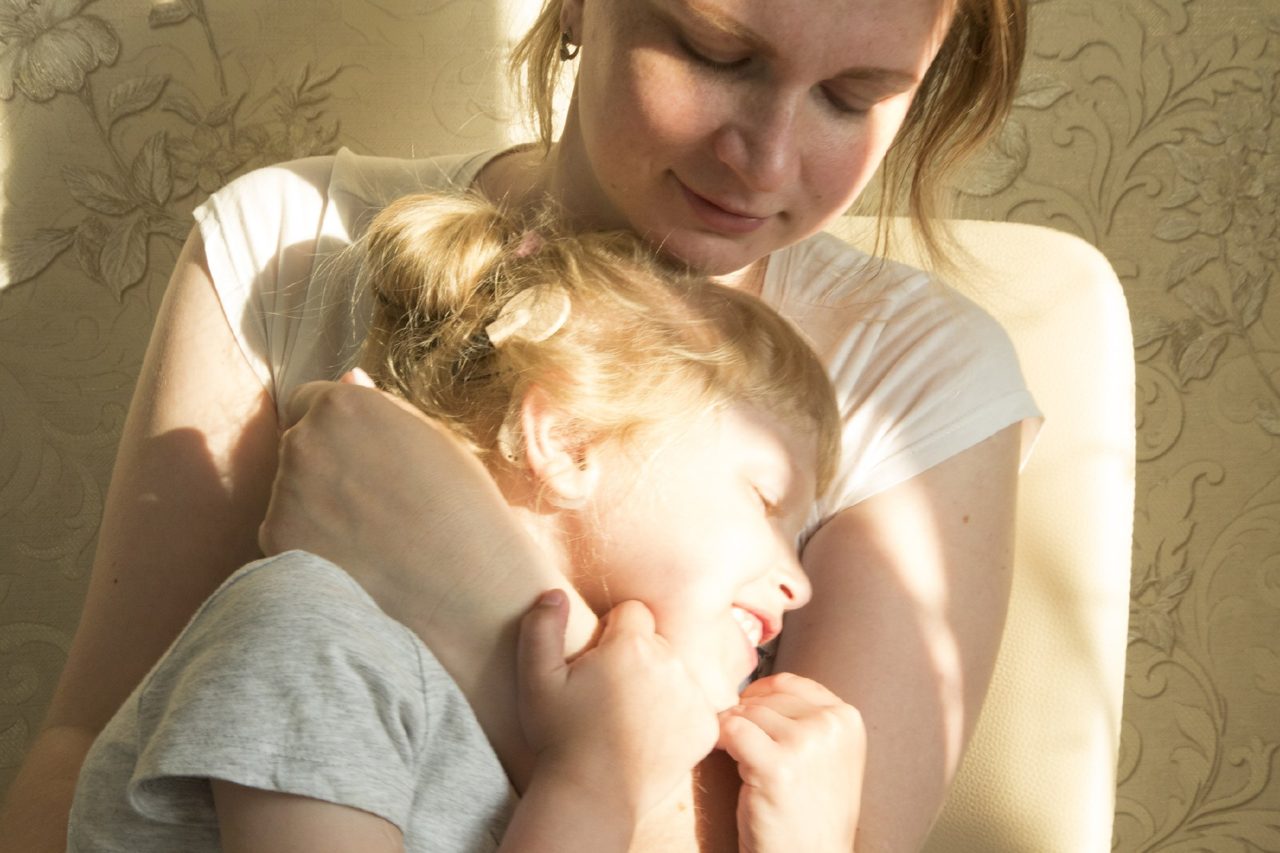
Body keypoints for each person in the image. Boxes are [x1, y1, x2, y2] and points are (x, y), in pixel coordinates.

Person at [0, 1, 1038, 850]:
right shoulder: (290, 247)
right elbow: (88, 745)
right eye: (713, 53)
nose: (763, 161)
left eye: (851, 98)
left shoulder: (919, 376)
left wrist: (473, 585)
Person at [65, 191, 862, 852]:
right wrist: (594, 779)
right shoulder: (314, 638)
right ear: (568, 441)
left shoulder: (584, 714)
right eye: (765, 500)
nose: (798, 582)